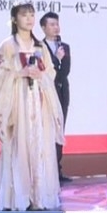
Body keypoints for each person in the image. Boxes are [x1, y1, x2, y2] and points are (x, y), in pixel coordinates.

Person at [0, 2, 64, 211]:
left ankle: (38, 197)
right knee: (18, 148)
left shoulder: (40, 46)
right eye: (24, 15)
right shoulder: (8, 46)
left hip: (38, 104)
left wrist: (41, 75)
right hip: (17, 105)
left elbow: (50, 72)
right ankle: (18, 199)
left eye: (32, 15)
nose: (30, 19)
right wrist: (18, 74)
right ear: (15, 19)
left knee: (40, 148)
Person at [40, 11, 72, 183]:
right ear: (43, 27)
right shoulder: (39, 47)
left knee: (59, 130)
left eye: (57, 24)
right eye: (51, 24)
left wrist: (60, 61)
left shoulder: (64, 47)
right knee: (46, 131)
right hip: (46, 93)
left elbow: (65, 71)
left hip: (62, 91)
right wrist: (56, 60)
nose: (55, 27)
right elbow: (44, 71)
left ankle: (57, 171)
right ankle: (45, 170)